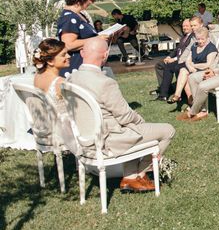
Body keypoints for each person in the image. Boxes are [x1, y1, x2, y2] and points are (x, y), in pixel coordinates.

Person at [69, 37, 175, 193]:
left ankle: (129, 176)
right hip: (108, 139)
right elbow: (125, 116)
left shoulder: (72, 78)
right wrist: (141, 121)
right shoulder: (104, 82)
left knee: (131, 128)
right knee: (168, 130)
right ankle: (139, 174)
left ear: (82, 53)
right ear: (105, 55)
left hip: (84, 138)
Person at [31, 39, 75, 150]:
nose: (69, 56)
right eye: (64, 54)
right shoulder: (60, 83)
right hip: (61, 130)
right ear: (50, 61)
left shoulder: (38, 76)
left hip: (44, 126)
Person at [57, 0, 100, 77]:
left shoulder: (79, 15)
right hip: (75, 68)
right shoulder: (69, 17)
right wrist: (97, 40)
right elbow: (68, 44)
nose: (92, 2)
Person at [168, 26, 216, 104]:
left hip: (206, 71)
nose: (200, 41)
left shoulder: (211, 48)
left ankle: (190, 101)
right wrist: (190, 67)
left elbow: (208, 64)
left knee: (186, 75)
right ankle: (178, 95)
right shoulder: (194, 45)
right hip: (193, 69)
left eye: (202, 39)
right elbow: (188, 60)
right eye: (198, 39)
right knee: (183, 70)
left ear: (207, 38)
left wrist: (193, 66)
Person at [152, 19, 194, 101]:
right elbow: (176, 49)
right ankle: (165, 87)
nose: (184, 27)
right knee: (159, 65)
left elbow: (187, 53)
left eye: (186, 26)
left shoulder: (193, 37)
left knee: (169, 66)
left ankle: (164, 94)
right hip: (177, 58)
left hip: (184, 60)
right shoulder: (184, 37)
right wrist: (169, 57)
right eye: (183, 26)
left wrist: (174, 59)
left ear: (191, 27)